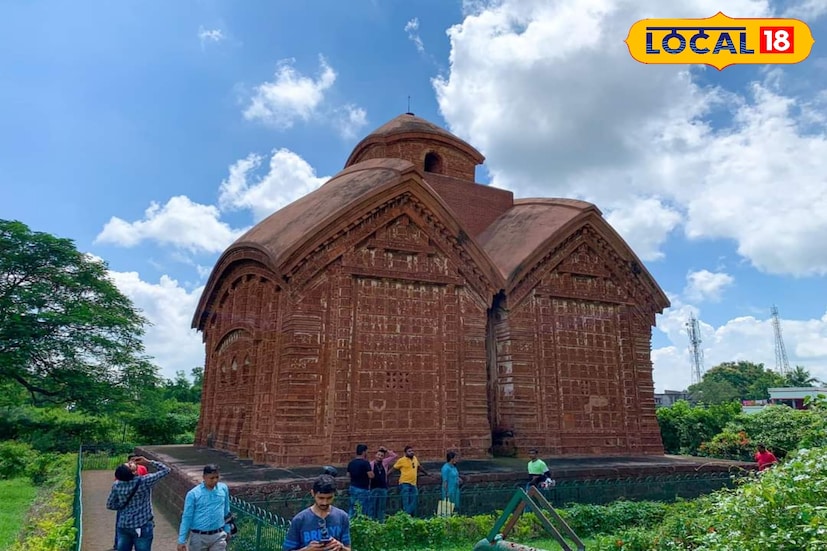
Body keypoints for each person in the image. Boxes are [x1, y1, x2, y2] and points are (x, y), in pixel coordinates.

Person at [106, 455, 171, 551]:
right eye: (129, 465)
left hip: (124, 524)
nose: (131, 462)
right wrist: (148, 462)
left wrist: (122, 506)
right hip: (142, 524)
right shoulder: (144, 481)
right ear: (134, 472)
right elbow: (166, 470)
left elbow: (110, 504)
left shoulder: (117, 485)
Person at [283, 474, 351, 551]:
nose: (325, 502)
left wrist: (341, 547)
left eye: (329, 498)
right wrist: (307, 550)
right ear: (313, 493)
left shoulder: (342, 517)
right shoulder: (300, 520)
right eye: (321, 498)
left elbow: (348, 548)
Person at [177, 464, 232, 551]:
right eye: (211, 478)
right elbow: (187, 517)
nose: (215, 480)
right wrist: (181, 541)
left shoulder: (223, 489)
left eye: (217, 477)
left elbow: (226, 511)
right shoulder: (193, 494)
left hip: (218, 535)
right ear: (204, 477)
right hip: (199, 537)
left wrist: (227, 529)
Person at [112, 455, 150, 549]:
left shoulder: (119, 480)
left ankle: (117, 544)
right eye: (130, 462)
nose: (132, 462)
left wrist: (121, 504)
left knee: (121, 528)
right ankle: (117, 543)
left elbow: (110, 503)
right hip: (140, 516)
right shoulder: (141, 475)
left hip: (125, 510)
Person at [392, 445, 430, 515]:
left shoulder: (415, 458)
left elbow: (419, 467)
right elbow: (393, 469)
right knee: (406, 501)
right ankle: (407, 515)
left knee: (415, 499)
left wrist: (427, 473)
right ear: (405, 453)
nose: (411, 452)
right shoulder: (401, 460)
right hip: (404, 483)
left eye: (412, 451)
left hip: (413, 483)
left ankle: (407, 513)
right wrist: (386, 475)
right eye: (409, 451)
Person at [368, 446, 397, 522]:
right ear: (375, 455)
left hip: (383, 488)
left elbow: (394, 456)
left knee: (381, 506)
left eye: (381, 456)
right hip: (373, 488)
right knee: (373, 506)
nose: (380, 457)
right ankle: (372, 521)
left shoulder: (384, 462)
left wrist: (386, 450)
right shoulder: (371, 464)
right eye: (378, 455)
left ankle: (381, 522)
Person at [346, 444, 373, 517]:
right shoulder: (365, 463)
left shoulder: (351, 463)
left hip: (353, 487)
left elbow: (348, 475)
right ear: (364, 452)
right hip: (363, 488)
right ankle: (361, 521)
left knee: (352, 507)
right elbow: (371, 475)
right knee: (363, 508)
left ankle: (351, 520)